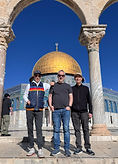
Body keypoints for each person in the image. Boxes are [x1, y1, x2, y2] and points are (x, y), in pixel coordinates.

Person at [23, 70, 50, 157]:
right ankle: (31, 148)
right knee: (30, 128)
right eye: (36, 75)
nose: (37, 77)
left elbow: (52, 86)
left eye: (39, 75)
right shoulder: (29, 85)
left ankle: (40, 149)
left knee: (39, 129)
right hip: (30, 109)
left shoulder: (44, 85)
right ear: (34, 76)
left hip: (39, 110)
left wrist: (54, 83)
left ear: (40, 76)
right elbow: (24, 95)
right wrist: (27, 101)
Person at [48, 70, 73, 157]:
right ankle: (56, 148)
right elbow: (50, 96)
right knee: (56, 130)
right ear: (57, 76)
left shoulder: (68, 86)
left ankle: (66, 149)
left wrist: (69, 106)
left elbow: (71, 96)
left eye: (62, 75)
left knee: (66, 129)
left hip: (65, 110)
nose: (61, 77)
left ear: (64, 77)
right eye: (59, 75)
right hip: (56, 111)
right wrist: (51, 106)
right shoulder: (53, 86)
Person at [71, 73, 95, 155]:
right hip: (74, 112)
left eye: (79, 77)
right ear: (75, 79)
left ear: (81, 79)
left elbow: (89, 101)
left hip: (84, 112)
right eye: (76, 77)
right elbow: (69, 101)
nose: (77, 78)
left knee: (86, 130)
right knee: (77, 130)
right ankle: (79, 147)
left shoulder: (85, 89)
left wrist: (90, 112)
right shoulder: (72, 89)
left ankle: (88, 147)